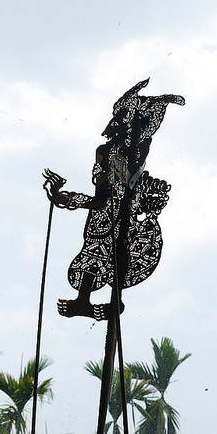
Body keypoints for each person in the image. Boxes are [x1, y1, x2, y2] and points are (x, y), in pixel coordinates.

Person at [44, 79, 184, 321]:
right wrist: (63, 197)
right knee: (95, 251)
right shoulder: (106, 152)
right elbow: (100, 197)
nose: (107, 130)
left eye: (116, 123)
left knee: (117, 253)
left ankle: (113, 300)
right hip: (104, 216)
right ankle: (84, 300)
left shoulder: (137, 151)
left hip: (124, 214)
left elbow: (133, 179)